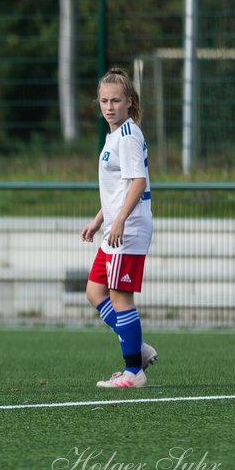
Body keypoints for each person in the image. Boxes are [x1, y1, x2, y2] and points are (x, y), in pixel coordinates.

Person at [81, 67, 156, 388]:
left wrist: (121, 219)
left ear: (130, 102)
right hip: (114, 227)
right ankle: (137, 348)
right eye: (104, 101)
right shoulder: (115, 135)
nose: (109, 107)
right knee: (94, 292)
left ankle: (133, 371)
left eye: (116, 101)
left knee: (120, 298)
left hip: (128, 229)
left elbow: (137, 183)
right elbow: (119, 188)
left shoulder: (127, 136)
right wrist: (99, 219)